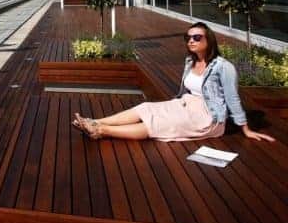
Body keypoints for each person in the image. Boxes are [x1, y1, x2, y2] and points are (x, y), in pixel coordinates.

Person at [73, 22, 276, 143]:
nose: (191, 41)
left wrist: (246, 129)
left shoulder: (224, 67)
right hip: (185, 103)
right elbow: (187, 92)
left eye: (197, 37)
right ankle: (97, 121)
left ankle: (100, 131)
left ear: (209, 40)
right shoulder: (191, 61)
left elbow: (232, 99)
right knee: (146, 108)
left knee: (157, 123)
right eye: (188, 37)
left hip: (207, 117)